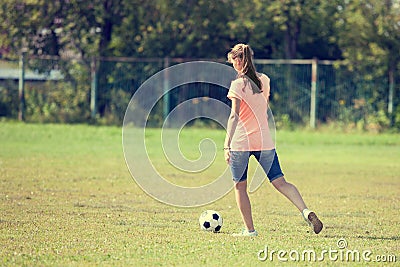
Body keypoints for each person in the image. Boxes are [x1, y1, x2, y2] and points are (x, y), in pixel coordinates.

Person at [224, 43, 323, 237]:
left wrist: (226, 145)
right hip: (264, 141)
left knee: (240, 187)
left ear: (238, 60)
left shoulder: (237, 85)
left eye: (233, 61)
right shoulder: (265, 80)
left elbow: (234, 116)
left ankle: (250, 230)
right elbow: (263, 108)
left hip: (241, 143)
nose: (233, 65)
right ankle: (305, 211)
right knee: (281, 182)